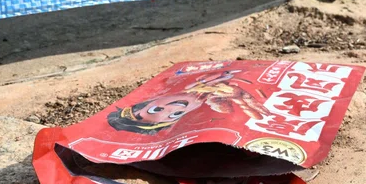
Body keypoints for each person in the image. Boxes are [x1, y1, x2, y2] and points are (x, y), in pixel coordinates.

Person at [107, 72, 265, 135]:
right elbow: (260, 117)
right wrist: (239, 98)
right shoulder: (218, 107)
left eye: (156, 109)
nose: (176, 107)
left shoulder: (193, 80)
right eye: (175, 114)